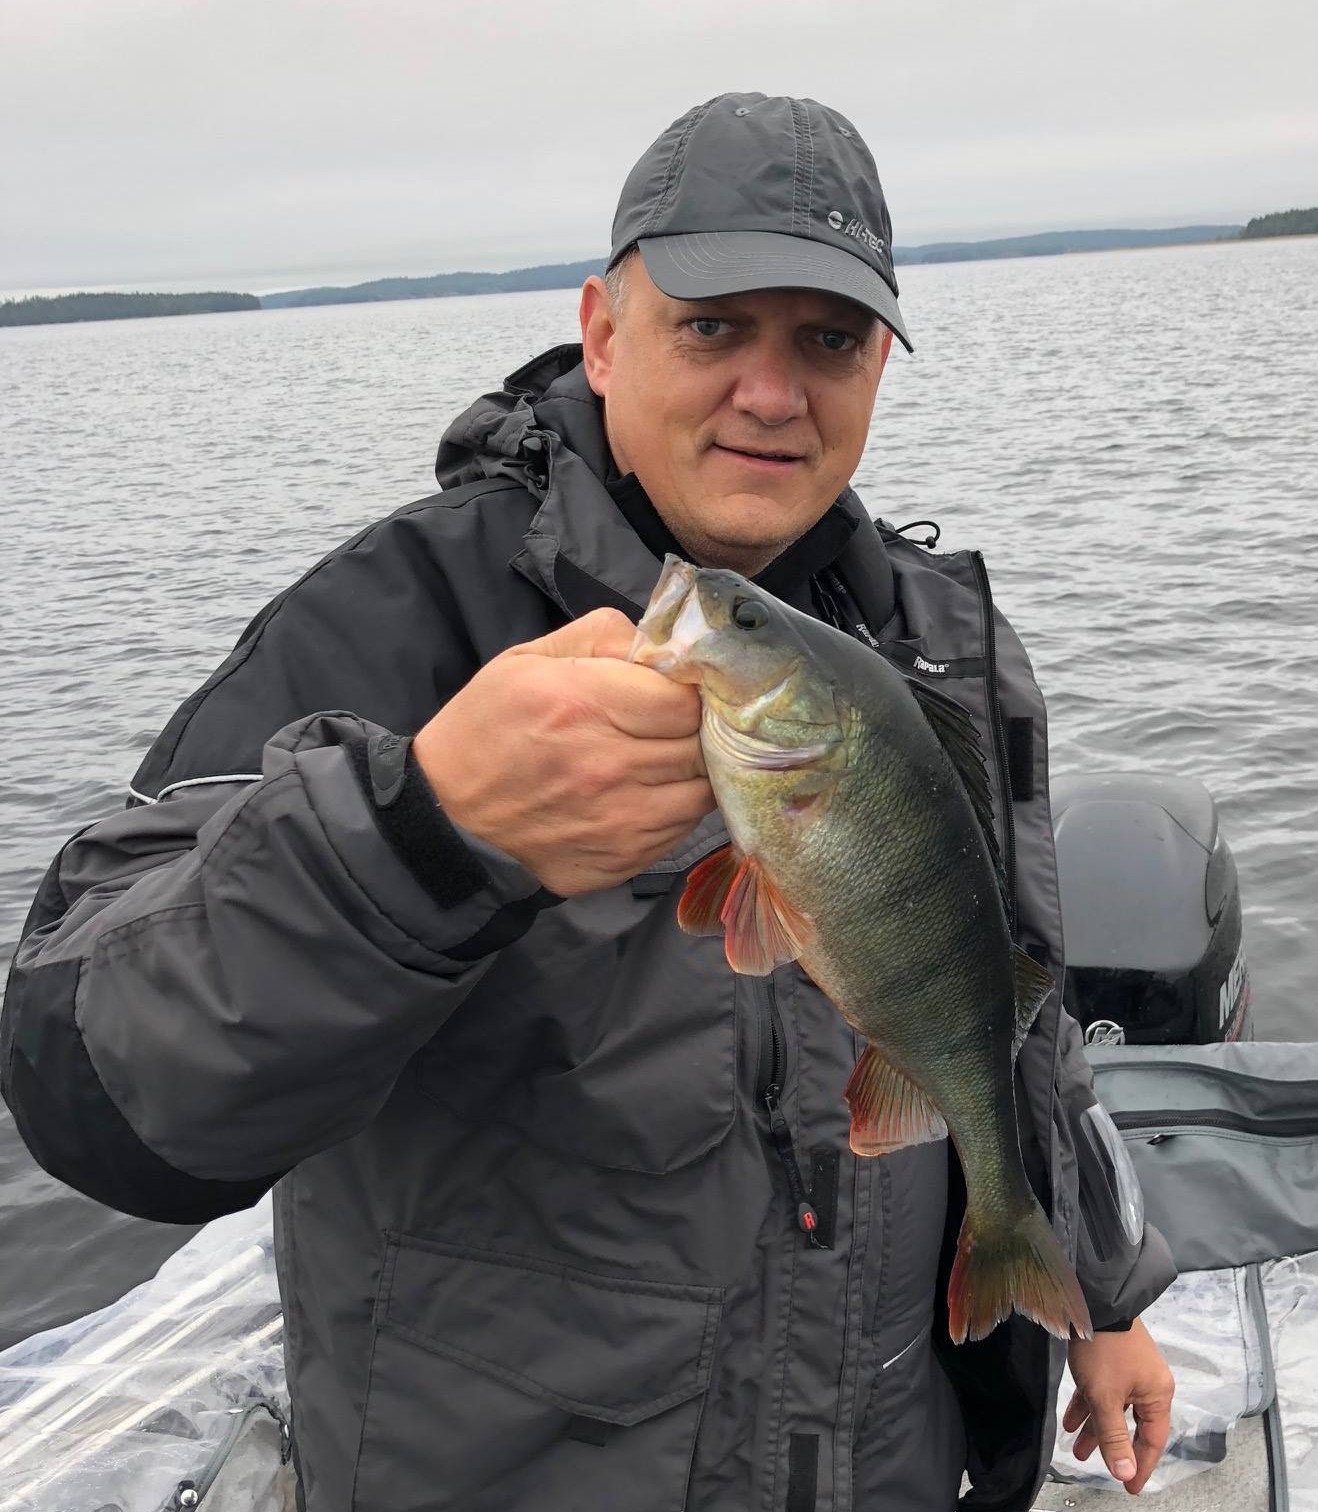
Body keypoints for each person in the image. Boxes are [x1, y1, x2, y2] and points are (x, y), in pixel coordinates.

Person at [1, 93, 1176, 1511]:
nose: (771, 389)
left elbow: (1003, 1024)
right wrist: (423, 831)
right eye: (713, 326)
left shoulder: (940, 646)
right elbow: (91, 1087)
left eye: (829, 339)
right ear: (602, 333)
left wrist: (1104, 1296)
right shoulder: (398, 623)